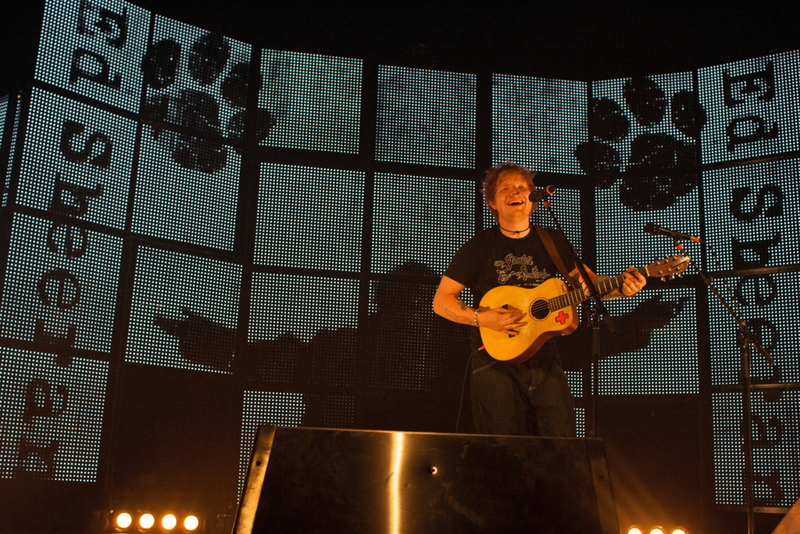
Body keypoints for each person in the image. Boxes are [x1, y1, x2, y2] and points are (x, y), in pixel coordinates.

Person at [433, 162, 647, 437]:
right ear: (492, 202)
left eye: (522, 187)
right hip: (493, 361)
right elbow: (441, 301)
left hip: (545, 359)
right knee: (504, 451)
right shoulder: (480, 246)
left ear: (533, 199)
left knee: (562, 448)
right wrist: (481, 317)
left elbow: (589, 284)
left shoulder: (552, 240)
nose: (515, 192)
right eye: (506, 188)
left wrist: (622, 288)